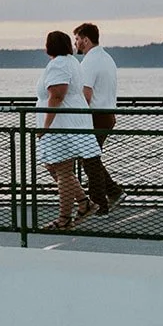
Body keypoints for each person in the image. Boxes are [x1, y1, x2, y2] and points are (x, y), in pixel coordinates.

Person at [36, 30, 107, 230]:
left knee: (63, 171)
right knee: (54, 166)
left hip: (62, 126)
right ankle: (84, 203)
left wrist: (45, 127)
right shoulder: (70, 62)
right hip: (69, 123)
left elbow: (57, 95)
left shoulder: (59, 64)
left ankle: (64, 219)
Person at [74, 22, 123, 213]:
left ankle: (99, 204)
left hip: (95, 117)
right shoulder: (106, 58)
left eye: (77, 39)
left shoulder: (89, 62)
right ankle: (113, 193)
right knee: (90, 159)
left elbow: (86, 95)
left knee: (89, 160)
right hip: (108, 114)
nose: (75, 43)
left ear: (86, 40)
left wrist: (76, 118)